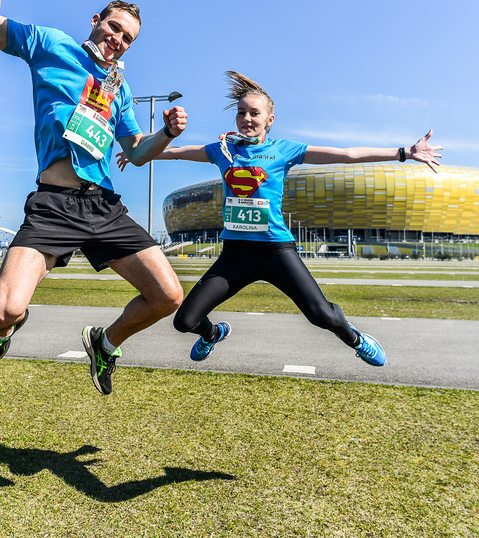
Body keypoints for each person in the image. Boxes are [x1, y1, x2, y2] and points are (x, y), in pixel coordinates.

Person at [0, 0, 187, 395]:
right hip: (53, 204)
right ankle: (3, 332)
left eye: (127, 38)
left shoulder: (119, 90)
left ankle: (106, 343)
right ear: (96, 21)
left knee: (168, 296)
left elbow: (138, 154)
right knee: (3, 310)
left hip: (103, 207)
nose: (118, 39)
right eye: (113, 27)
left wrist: (165, 133)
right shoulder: (50, 45)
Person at [118, 71, 442, 365]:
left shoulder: (284, 150)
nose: (246, 118)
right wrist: (137, 151)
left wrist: (403, 153)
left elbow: (346, 155)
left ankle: (355, 338)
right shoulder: (223, 150)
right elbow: (173, 151)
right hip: (235, 254)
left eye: (254, 113)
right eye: (241, 112)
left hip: (276, 250)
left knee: (321, 315)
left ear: (269, 119)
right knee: (184, 320)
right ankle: (214, 334)